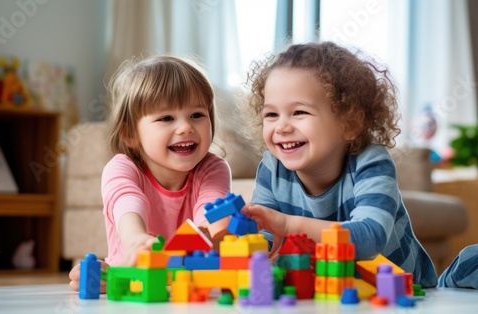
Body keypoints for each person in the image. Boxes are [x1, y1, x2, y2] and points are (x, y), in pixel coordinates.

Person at [239, 42, 438, 287]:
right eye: (271, 114)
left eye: (299, 112)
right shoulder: (272, 167)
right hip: (329, 290)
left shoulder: (371, 161)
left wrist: (288, 225)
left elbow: (370, 238)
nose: (281, 127)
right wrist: (240, 239)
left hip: (400, 291)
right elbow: (268, 237)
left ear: (349, 122)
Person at [69, 55, 231, 292]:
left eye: (197, 115)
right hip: (136, 274)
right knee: (83, 275)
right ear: (130, 134)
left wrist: (219, 236)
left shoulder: (213, 168)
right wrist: (136, 239)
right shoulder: (123, 167)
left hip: (190, 280)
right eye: (166, 118)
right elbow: (127, 202)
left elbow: (210, 218)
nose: (186, 127)